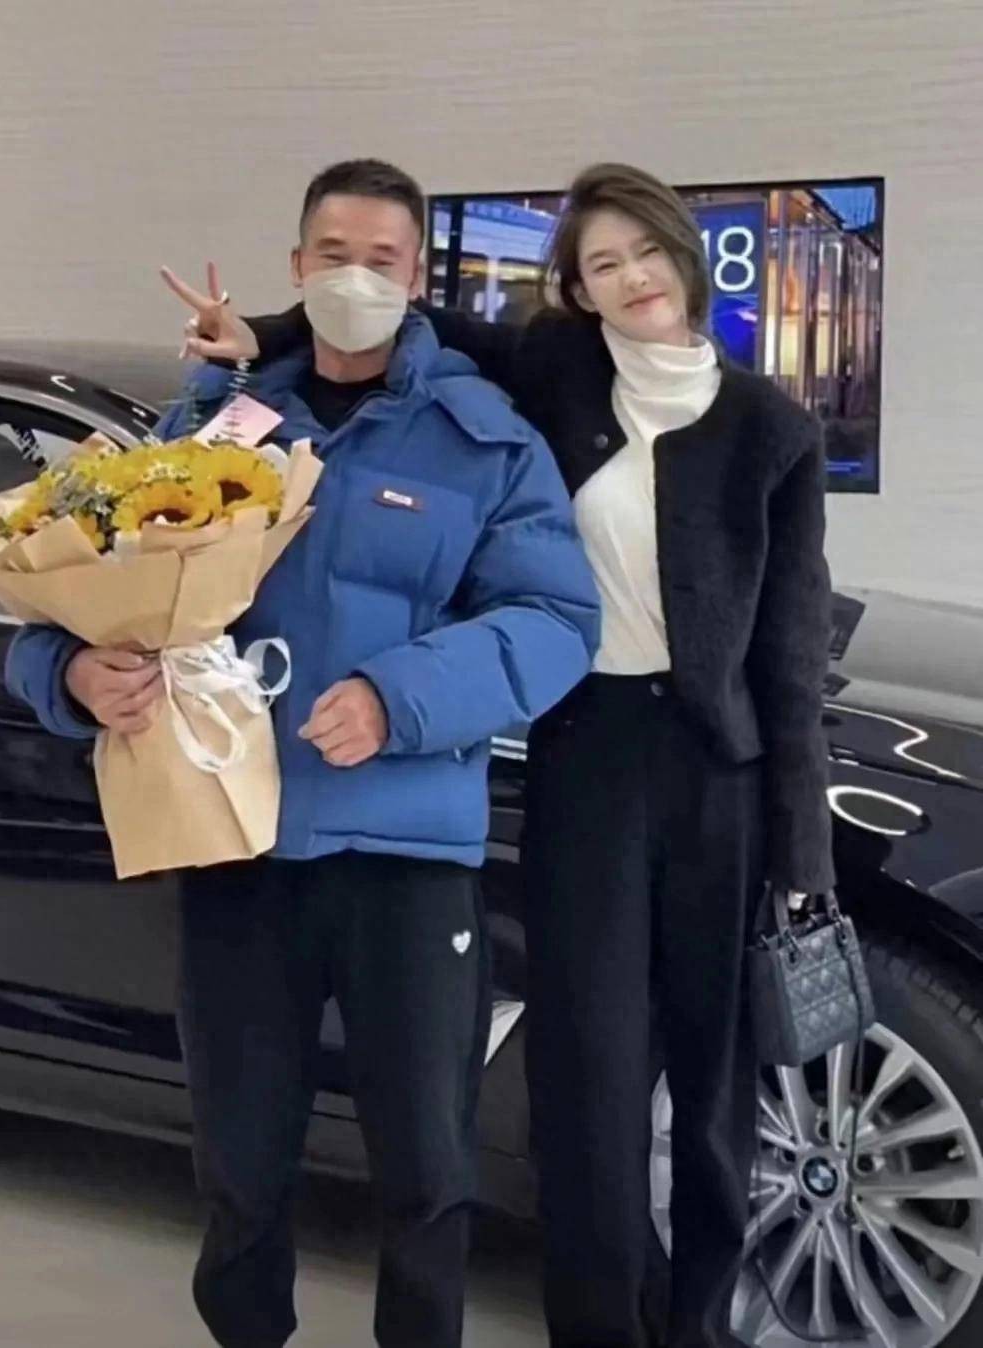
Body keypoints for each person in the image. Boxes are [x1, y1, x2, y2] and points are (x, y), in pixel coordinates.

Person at [178, 160, 835, 1348]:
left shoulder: (769, 429)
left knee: (714, 1080)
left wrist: (804, 853)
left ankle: (701, 1323)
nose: (632, 278)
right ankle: (597, 1327)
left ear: (688, 258)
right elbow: (374, 303)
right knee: (587, 1079)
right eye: (602, 263)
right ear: (576, 290)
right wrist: (254, 337)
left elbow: (787, 658)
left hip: (715, 768)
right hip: (585, 752)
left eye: (647, 252)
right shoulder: (555, 376)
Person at [5, 158, 600, 1348]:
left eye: (382, 260)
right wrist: (72, 675)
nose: (355, 279)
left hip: (406, 858)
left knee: (428, 1169)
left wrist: (399, 697)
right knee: (239, 1159)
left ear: (418, 277)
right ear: (296, 266)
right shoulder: (210, 430)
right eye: (334, 255)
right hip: (238, 847)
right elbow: (63, 604)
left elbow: (556, 621)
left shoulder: (484, 441)